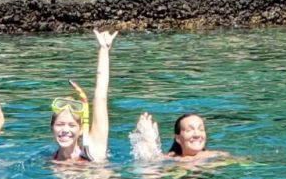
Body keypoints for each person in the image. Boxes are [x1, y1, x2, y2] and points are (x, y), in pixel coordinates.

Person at [50, 29, 117, 164]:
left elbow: (100, 96)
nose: (65, 130)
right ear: (52, 128)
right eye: (60, 124)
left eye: (72, 125)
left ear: (80, 130)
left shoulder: (92, 150)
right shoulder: (51, 160)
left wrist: (104, 50)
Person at [131, 111, 231, 163]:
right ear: (178, 138)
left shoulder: (218, 156)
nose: (197, 134)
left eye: (201, 129)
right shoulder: (170, 159)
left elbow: (244, 164)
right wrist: (150, 141)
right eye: (189, 130)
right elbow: (149, 170)